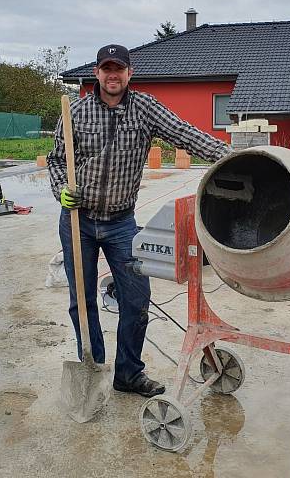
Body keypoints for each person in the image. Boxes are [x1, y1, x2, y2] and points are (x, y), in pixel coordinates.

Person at [47, 44, 231, 397]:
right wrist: (60, 189)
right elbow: (57, 161)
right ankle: (93, 368)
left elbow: (185, 134)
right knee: (81, 301)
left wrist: (232, 156)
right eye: (106, 69)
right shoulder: (77, 112)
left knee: (136, 299)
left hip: (121, 223)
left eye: (119, 69)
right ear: (98, 73)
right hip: (77, 220)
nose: (112, 75)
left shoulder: (145, 108)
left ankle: (128, 374)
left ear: (129, 73)